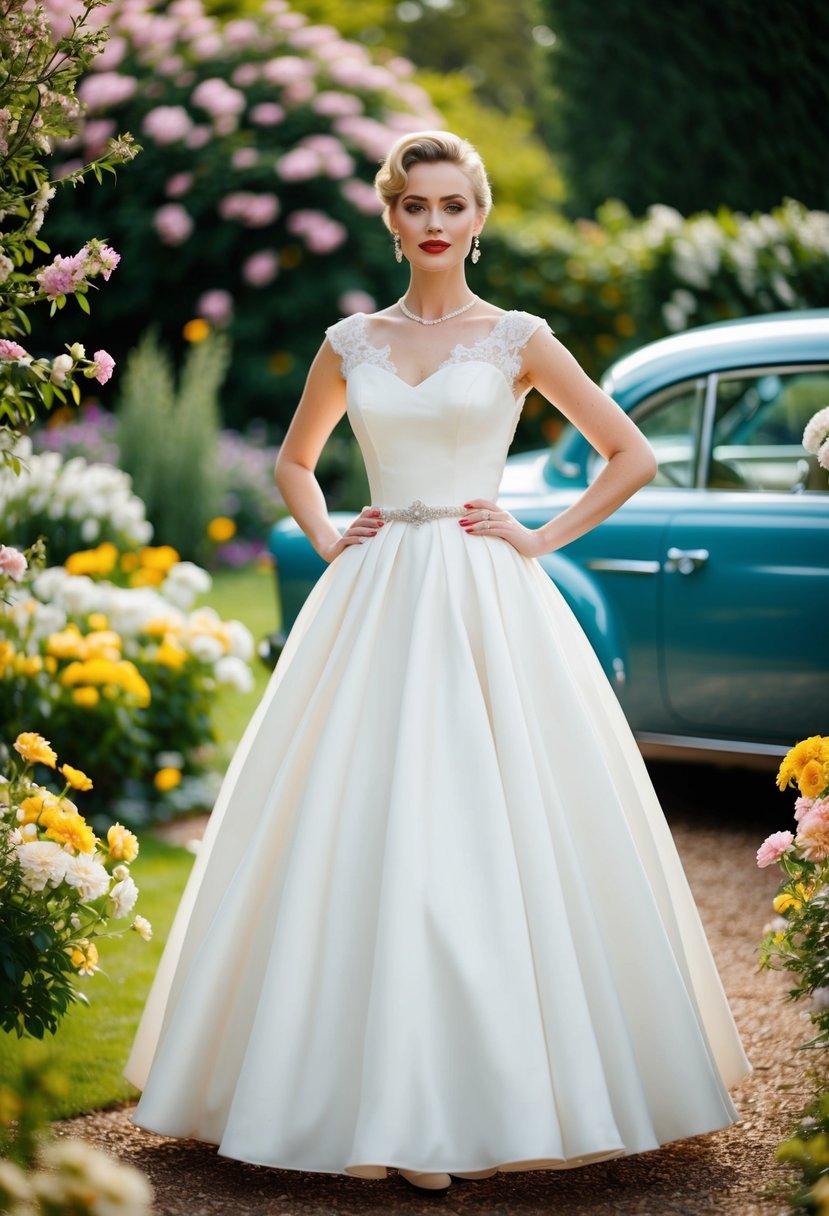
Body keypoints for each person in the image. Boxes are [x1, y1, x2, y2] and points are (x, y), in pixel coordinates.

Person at [126, 131, 750, 1194]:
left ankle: (470, 1104)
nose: (434, 223)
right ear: (390, 216)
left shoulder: (517, 338)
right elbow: (292, 460)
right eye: (415, 204)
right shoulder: (349, 341)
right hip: (372, 598)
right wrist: (328, 538)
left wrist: (539, 538)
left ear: (479, 217)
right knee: (351, 820)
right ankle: (338, 1095)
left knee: (486, 820)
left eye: (452, 205)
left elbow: (628, 454)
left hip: (483, 595)